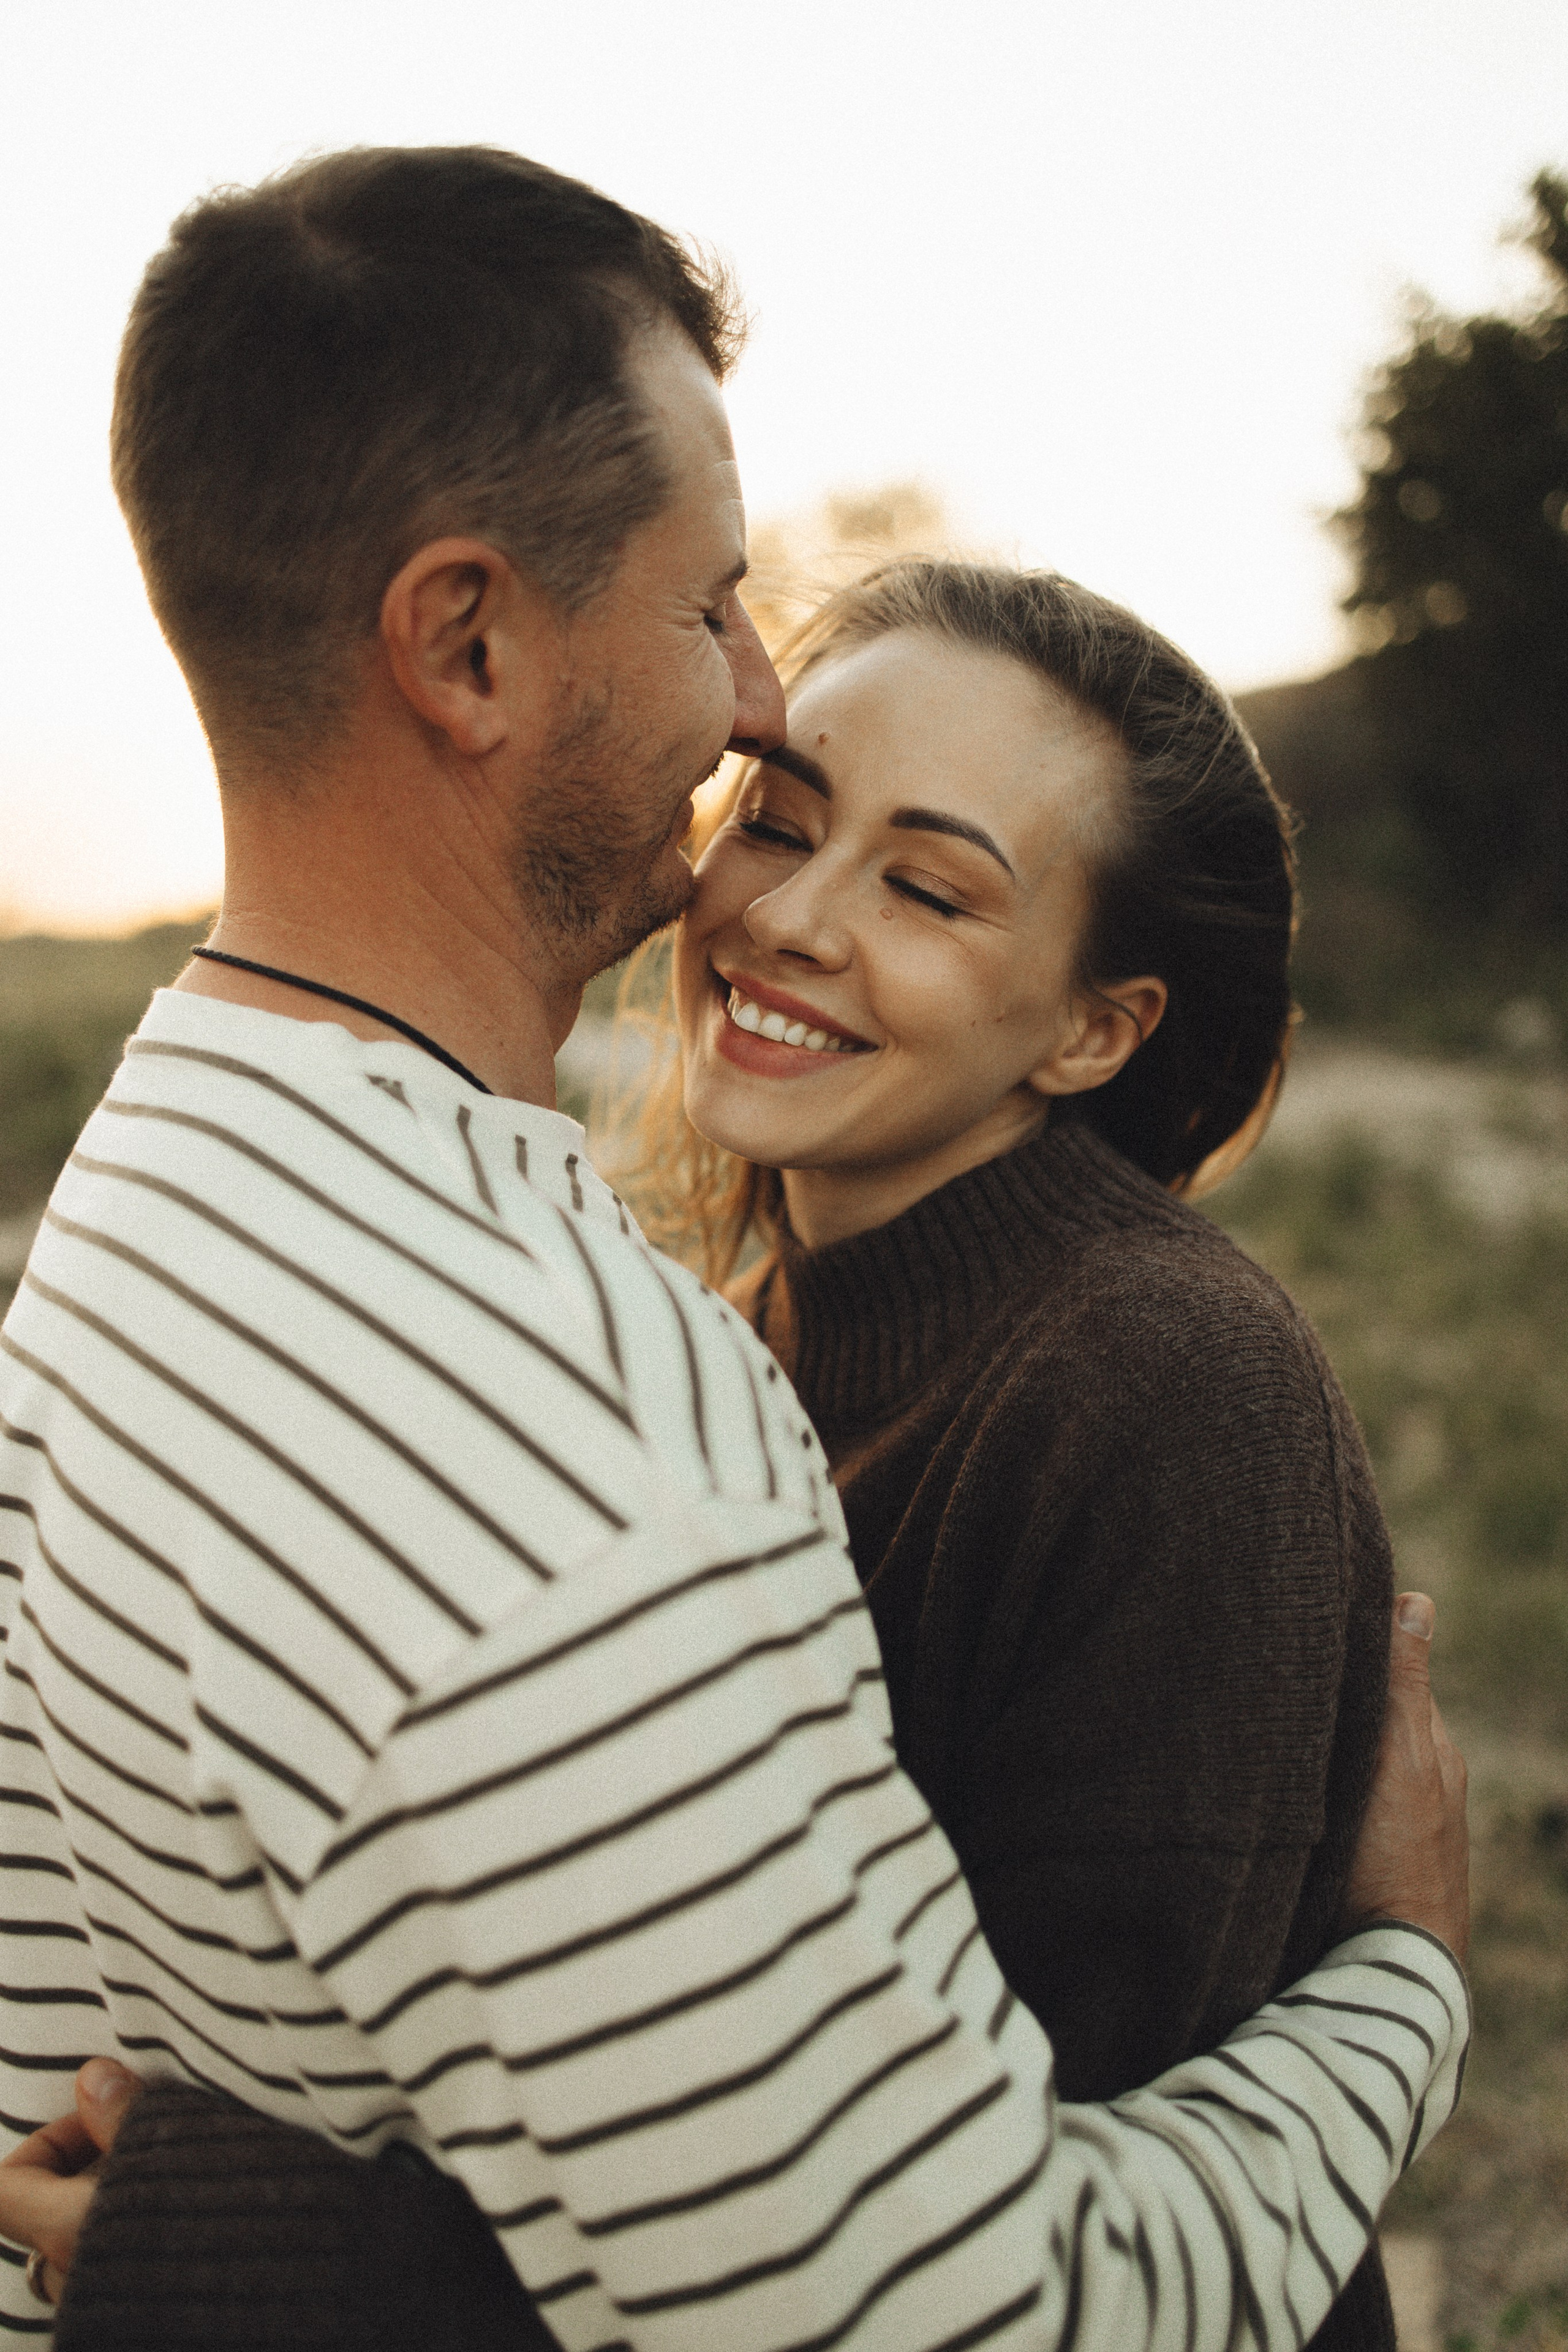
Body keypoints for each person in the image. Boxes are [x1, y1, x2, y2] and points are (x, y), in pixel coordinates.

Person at [0, 145, 1469, 2352]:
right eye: (713, 607)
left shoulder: (150, 1215)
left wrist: (254, 2261)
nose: (756, 705)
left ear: (1097, 1022)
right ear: (469, 643)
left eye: (934, 882)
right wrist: (1407, 1986)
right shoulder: (569, 1413)